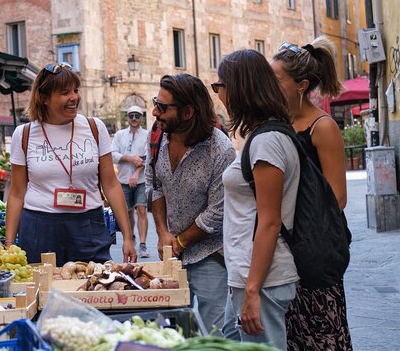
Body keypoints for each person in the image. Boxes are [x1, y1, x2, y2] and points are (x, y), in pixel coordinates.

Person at [5, 63, 136, 266]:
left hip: (88, 225)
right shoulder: (24, 134)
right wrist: (9, 243)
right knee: (44, 292)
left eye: (75, 90)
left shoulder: (94, 127)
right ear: (44, 97)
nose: (74, 97)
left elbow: (111, 184)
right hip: (40, 228)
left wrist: (128, 236)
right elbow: (16, 193)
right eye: (65, 93)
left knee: (94, 290)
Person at [215, 50, 300, 350]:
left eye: (219, 86)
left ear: (239, 87)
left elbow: (270, 221)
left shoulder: (267, 141)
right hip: (249, 273)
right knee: (230, 339)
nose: (218, 94)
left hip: (263, 278)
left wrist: (252, 290)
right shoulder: (261, 136)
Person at [271, 37, 353, 351]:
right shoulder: (277, 123)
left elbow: (338, 197)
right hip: (283, 246)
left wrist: (295, 225)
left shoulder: (323, 126)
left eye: (276, 79)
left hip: (315, 248)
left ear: (301, 84)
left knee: (323, 329)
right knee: (292, 332)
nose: (270, 84)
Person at [146, 74, 236, 335]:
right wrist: (163, 233)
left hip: (210, 256)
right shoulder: (157, 136)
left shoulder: (220, 149)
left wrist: (180, 241)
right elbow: (155, 185)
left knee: (212, 334)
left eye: (163, 107)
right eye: (155, 103)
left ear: (187, 112)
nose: (155, 112)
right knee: (174, 331)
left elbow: (217, 212)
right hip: (171, 255)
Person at [111, 105, 150, 257]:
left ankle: (143, 244)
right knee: (127, 213)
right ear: (127, 118)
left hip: (140, 180)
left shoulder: (147, 135)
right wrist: (129, 158)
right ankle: (130, 237)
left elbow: (148, 158)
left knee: (141, 209)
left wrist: (136, 172)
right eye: (131, 116)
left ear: (141, 118)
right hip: (123, 179)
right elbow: (112, 154)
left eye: (137, 116)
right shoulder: (120, 135)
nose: (134, 119)